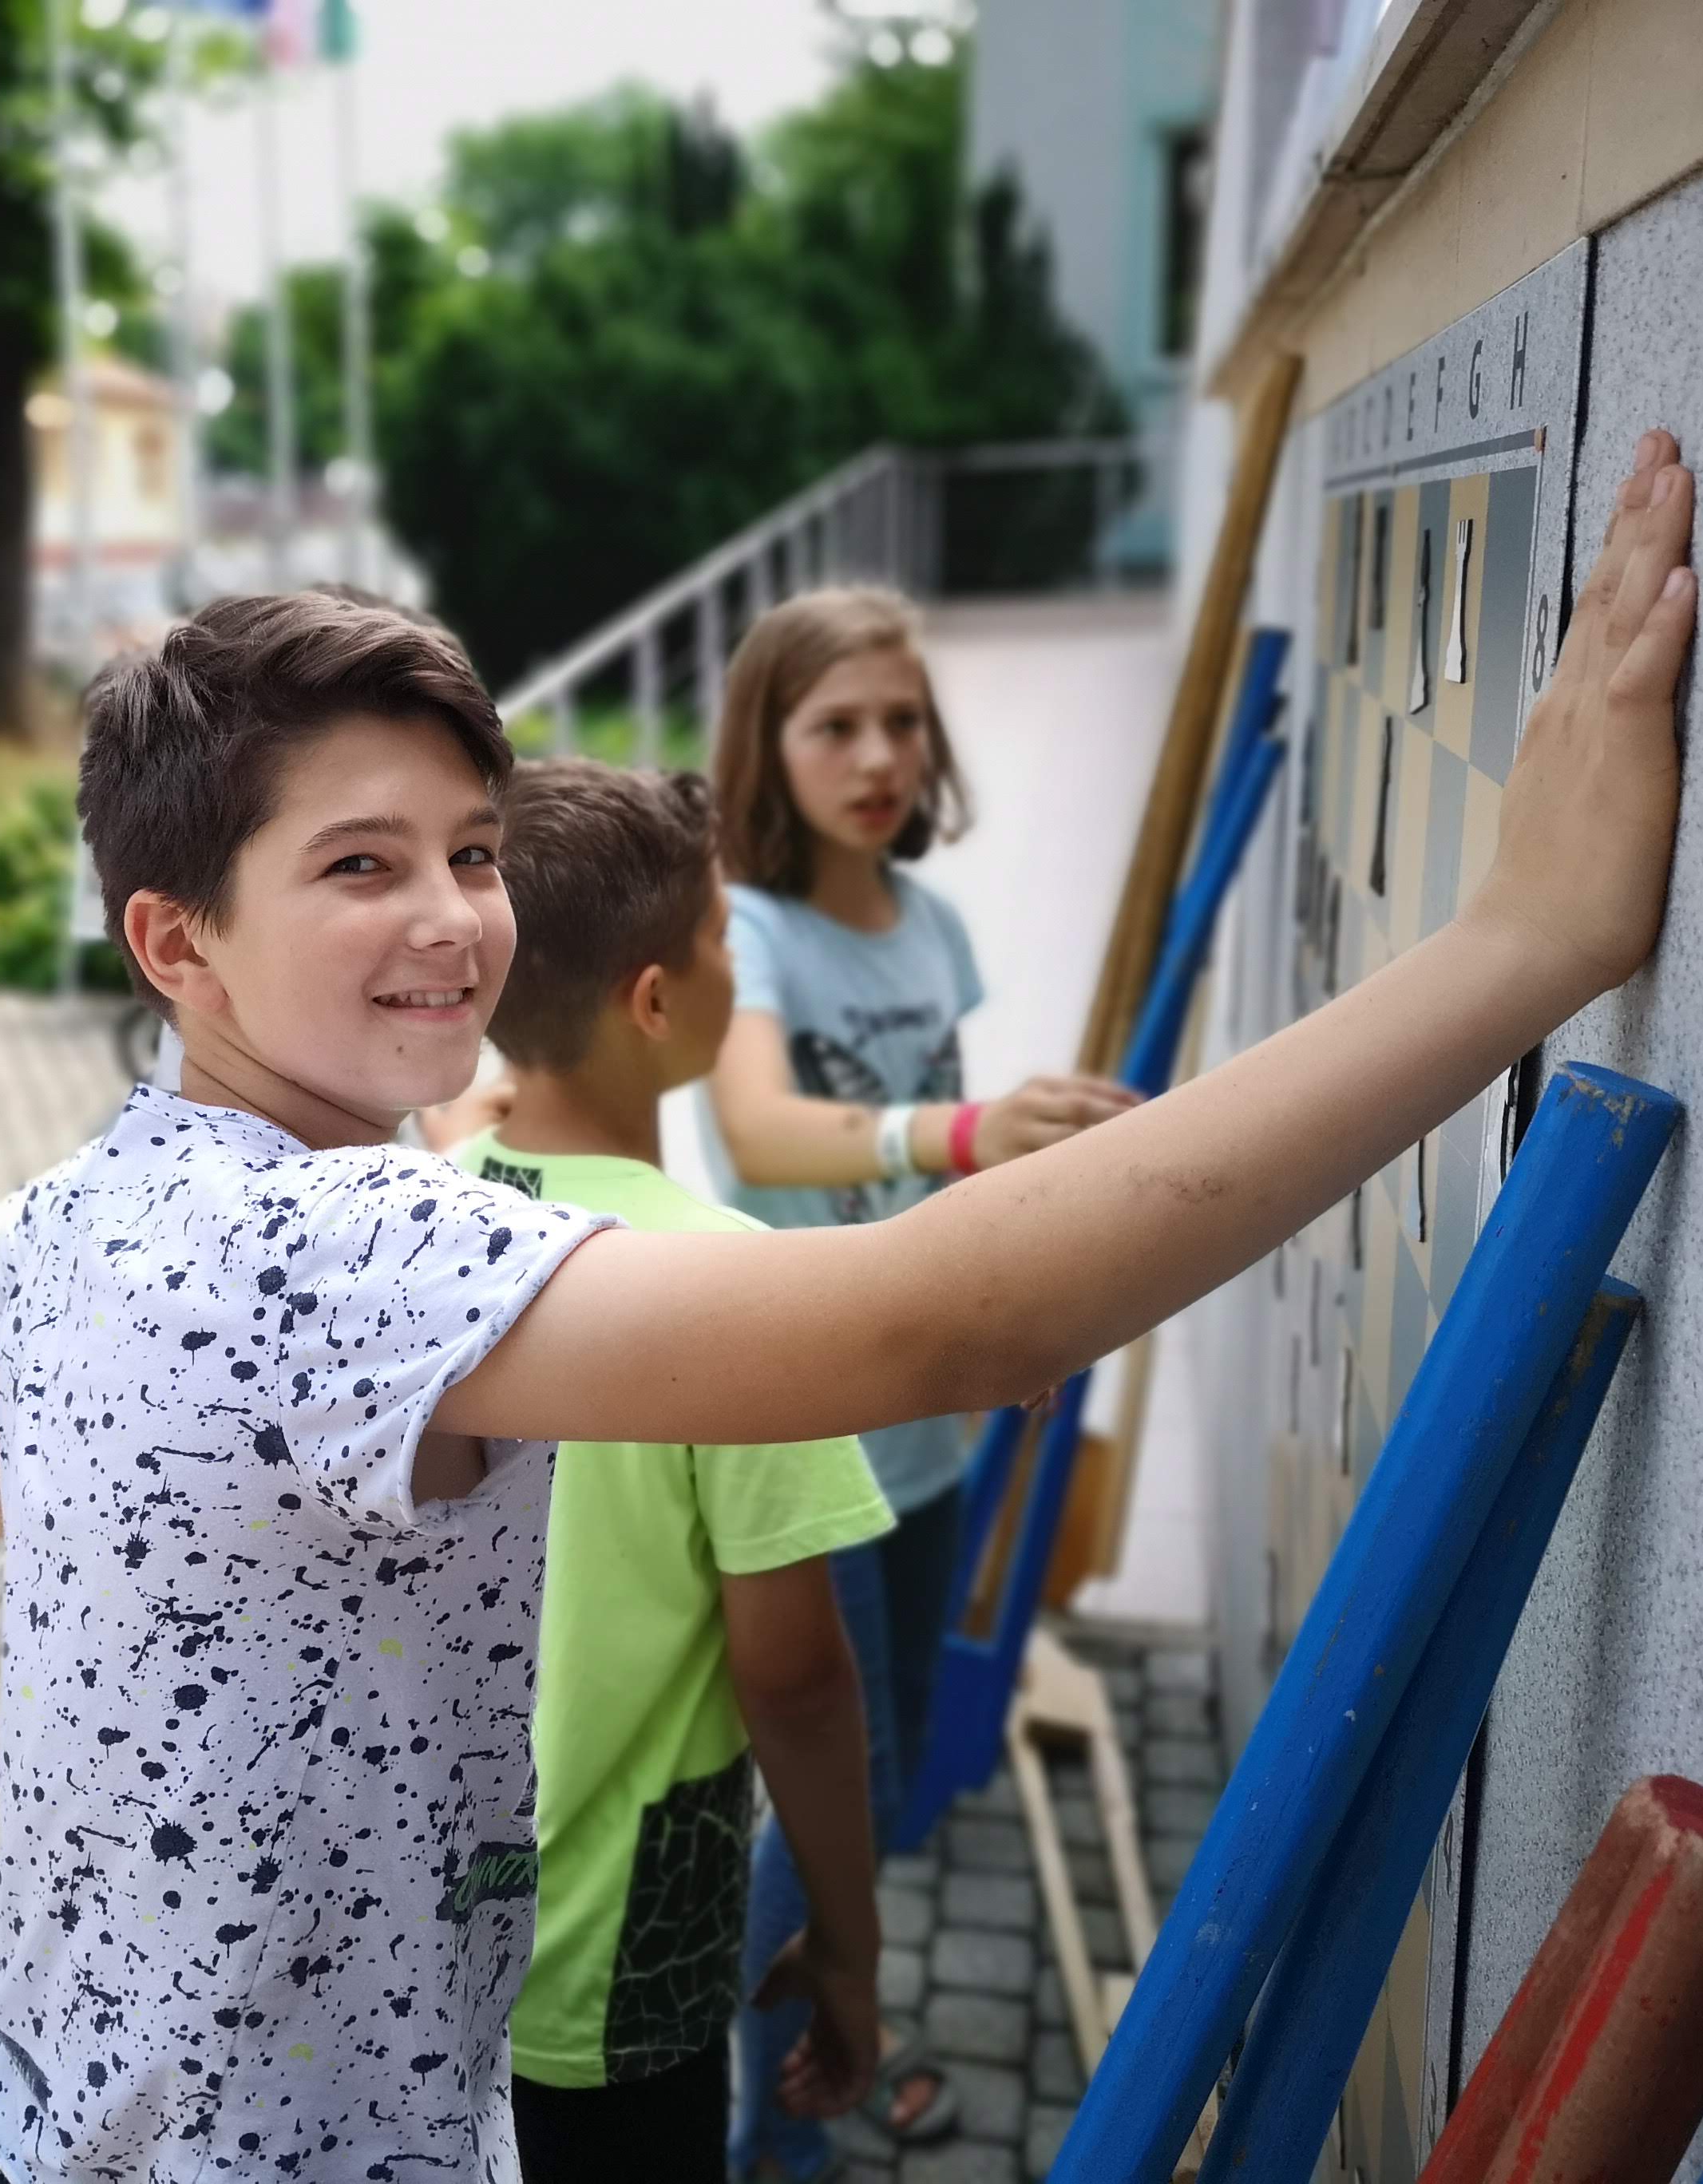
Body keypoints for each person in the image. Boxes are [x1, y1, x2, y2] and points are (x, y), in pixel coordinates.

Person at [0, 431, 1697, 2184]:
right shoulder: (351, 1250)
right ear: (176, 941)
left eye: (470, 852)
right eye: (359, 865)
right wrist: (1521, 941)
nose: (450, 915)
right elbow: (946, 1326)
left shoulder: (104, 1197)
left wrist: (142, 1522)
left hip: (19, 2087)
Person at [699, 584, 1134, 2173]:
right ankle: (769, 2127)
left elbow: (944, 1187)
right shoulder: (746, 929)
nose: (879, 756)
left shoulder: (927, 923)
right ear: (767, 744)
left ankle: (817, 2047)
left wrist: (1018, 1300)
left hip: (929, 1429)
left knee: (880, 1797)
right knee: (840, 1793)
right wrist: (959, 1131)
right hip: (807, 1426)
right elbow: (760, 1134)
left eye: (902, 721)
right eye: (836, 726)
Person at [446, 758, 893, 2181]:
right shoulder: (733, 1291)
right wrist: (847, 1945)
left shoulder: (406, 1220)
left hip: (410, 1932)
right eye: (716, 939)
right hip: (614, 1957)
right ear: (653, 1002)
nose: (735, 967)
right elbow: (796, 1679)